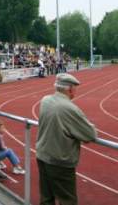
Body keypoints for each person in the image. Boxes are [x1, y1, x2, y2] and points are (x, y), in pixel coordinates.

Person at [36, 73, 96, 205]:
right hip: (59, 161)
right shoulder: (69, 108)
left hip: (42, 155)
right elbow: (90, 135)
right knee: (67, 200)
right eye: (75, 88)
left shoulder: (45, 99)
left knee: (46, 198)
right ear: (70, 89)